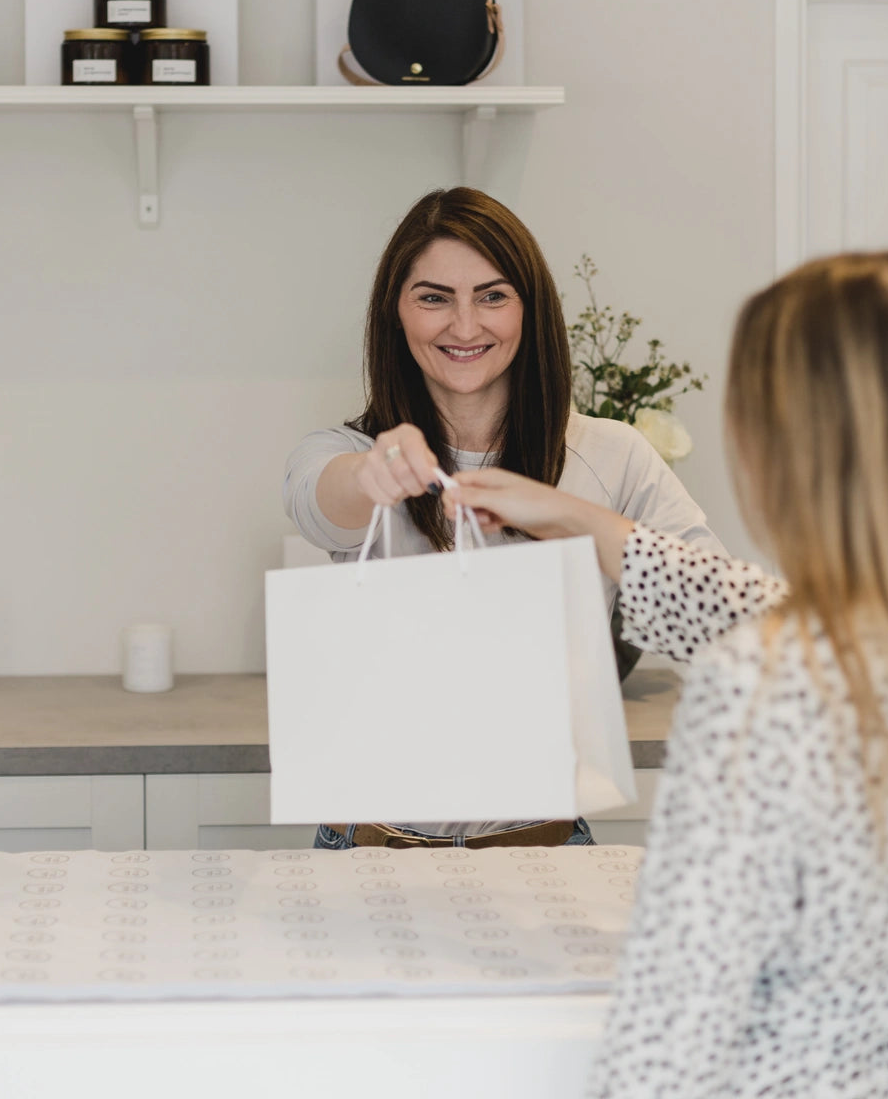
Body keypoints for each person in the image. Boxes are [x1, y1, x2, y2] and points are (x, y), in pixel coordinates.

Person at [445, 251, 888, 1098]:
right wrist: (569, 514)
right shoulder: (878, 645)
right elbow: (752, 603)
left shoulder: (771, 682)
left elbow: (672, 1037)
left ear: (786, 446)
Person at [283, 185, 726, 852]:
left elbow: (724, 628)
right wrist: (373, 474)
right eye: (434, 297)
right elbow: (322, 503)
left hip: (549, 854)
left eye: (493, 295)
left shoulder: (613, 456)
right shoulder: (344, 454)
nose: (465, 327)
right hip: (366, 852)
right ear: (396, 315)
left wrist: (571, 517)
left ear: (531, 309)